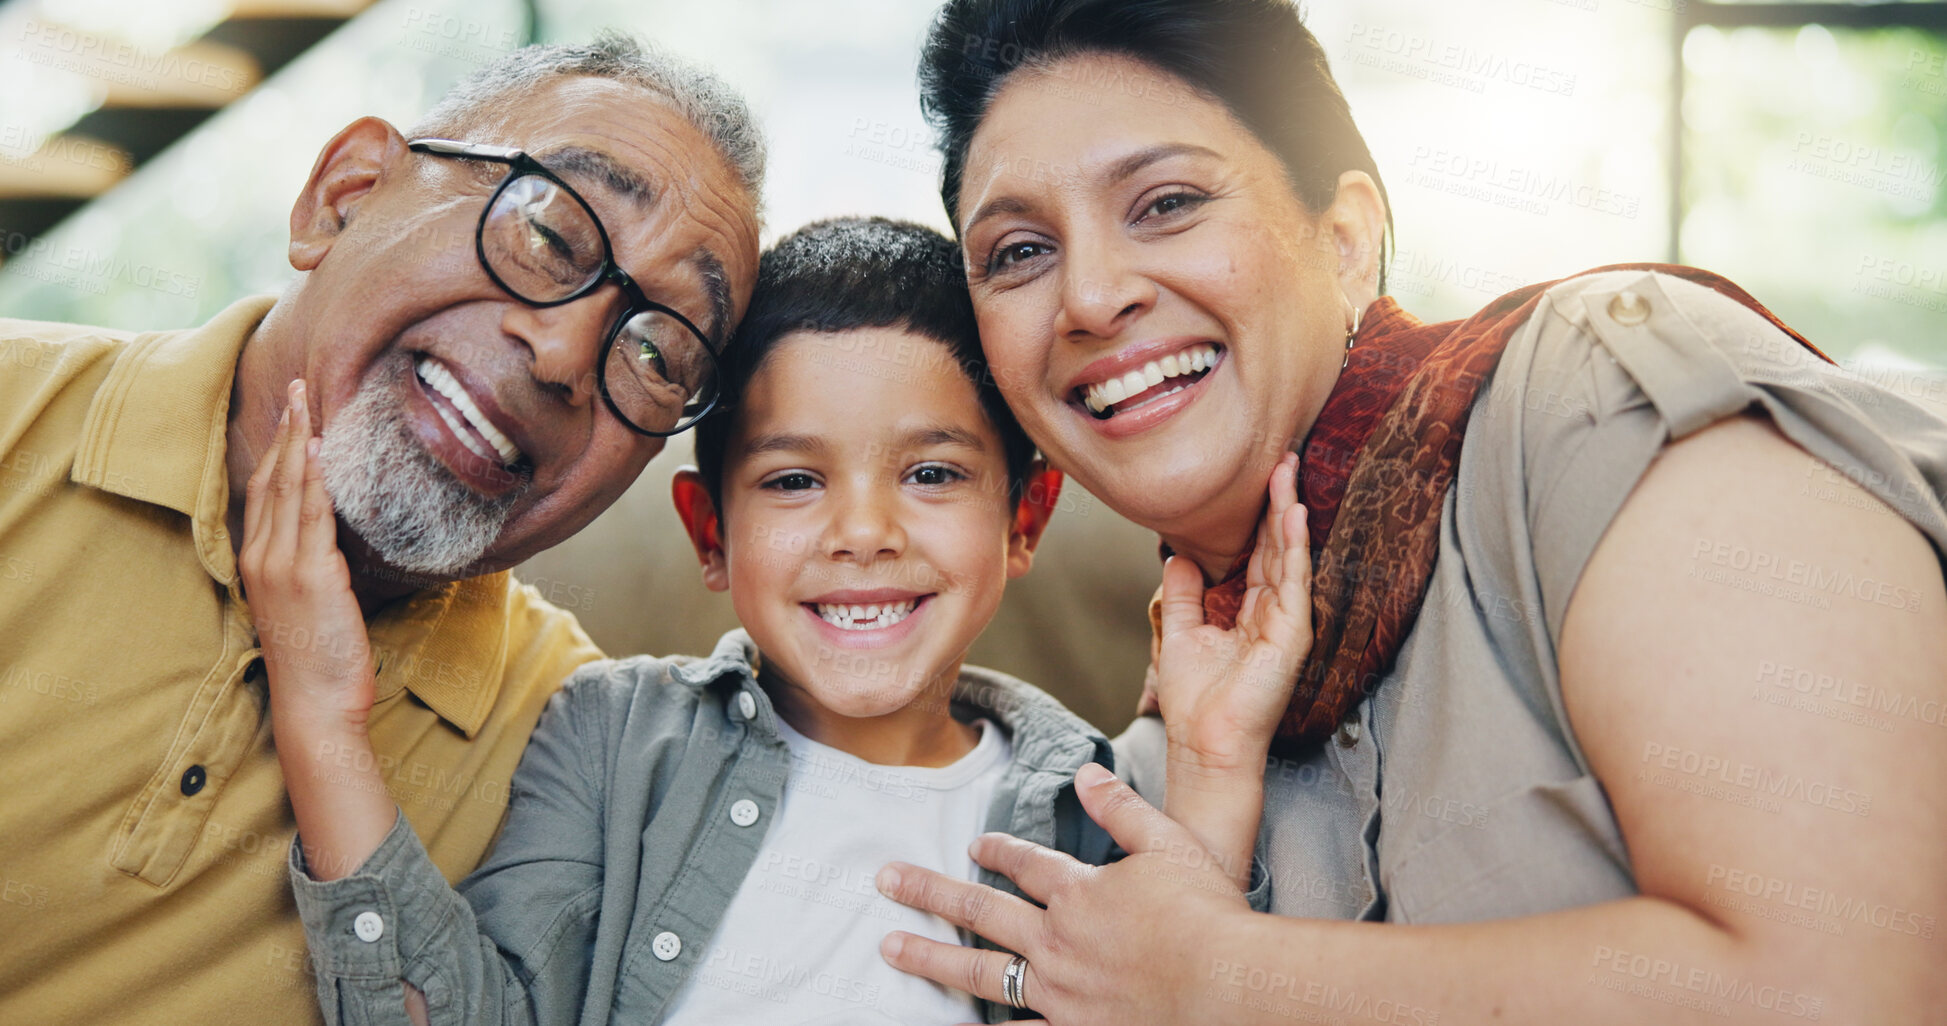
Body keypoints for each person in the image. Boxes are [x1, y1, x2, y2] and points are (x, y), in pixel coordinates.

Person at [872, 1, 1947, 1022]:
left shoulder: (1585, 401)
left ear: (1343, 237)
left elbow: (1851, 989)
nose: (1092, 296)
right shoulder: (1163, 768)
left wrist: (1227, 983)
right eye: (1017, 253)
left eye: (1168, 204)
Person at [240, 216, 1309, 1025]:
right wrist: (324, 728)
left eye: (931, 473)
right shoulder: (611, 743)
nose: (862, 532)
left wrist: (1217, 764)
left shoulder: (1093, 805)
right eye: (795, 482)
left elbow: (1199, 994)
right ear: (710, 532)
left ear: (1024, 517)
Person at [0, 34, 762, 1026]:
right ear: (345, 194)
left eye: (659, 351)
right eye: (552, 235)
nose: (568, 352)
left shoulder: (576, 745)